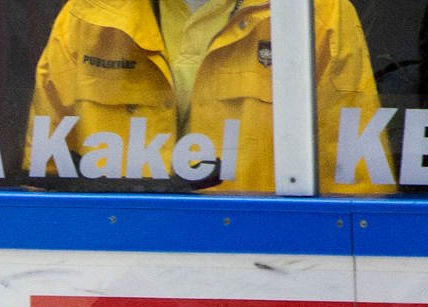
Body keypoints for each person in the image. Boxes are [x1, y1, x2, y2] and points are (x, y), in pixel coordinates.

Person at [24, 0, 391, 193]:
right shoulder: (86, 17)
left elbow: (358, 190)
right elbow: (43, 181)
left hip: (266, 292)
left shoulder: (316, 14)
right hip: (119, 292)